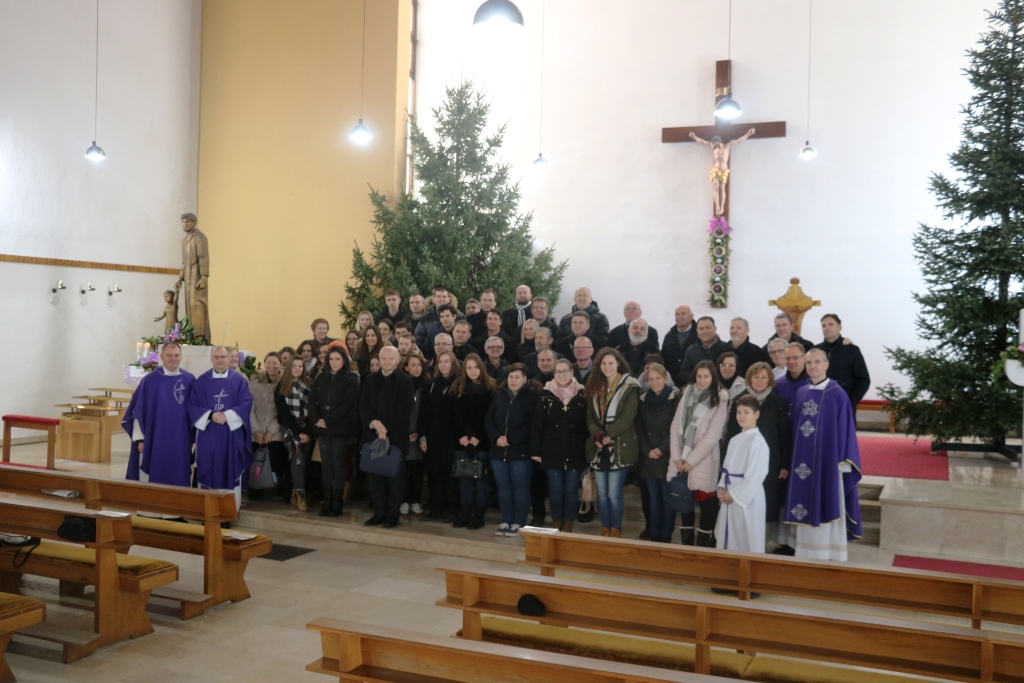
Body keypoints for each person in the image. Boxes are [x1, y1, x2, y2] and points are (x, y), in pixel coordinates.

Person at [781, 348, 863, 561]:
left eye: (817, 362)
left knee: (828, 500)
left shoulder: (837, 394)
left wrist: (842, 461)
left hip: (828, 463)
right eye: (809, 362)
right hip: (801, 462)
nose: (813, 366)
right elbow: (793, 429)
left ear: (826, 365)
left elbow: (846, 429)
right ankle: (804, 549)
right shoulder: (801, 392)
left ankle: (829, 550)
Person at [724, 363, 792, 550]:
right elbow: (731, 433)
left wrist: (784, 464)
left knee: (765, 505)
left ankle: (759, 544)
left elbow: (785, 436)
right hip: (742, 463)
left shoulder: (778, 402)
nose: (759, 381)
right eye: (756, 377)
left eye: (763, 377)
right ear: (749, 379)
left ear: (769, 380)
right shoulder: (738, 400)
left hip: (770, 463)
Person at [668, 360, 728, 547]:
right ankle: (687, 545)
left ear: (713, 377)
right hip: (681, 460)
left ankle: (703, 546)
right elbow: (675, 427)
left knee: (707, 505)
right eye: (699, 376)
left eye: (706, 377)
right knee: (684, 502)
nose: (702, 380)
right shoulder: (686, 394)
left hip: (703, 461)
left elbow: (713, 436)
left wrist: (691, 461)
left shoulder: (719, 399)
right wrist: (677, 458)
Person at [187, 346, 253, 510]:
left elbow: (246, 402)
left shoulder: (239, 381)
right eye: (216, 357)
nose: (220, 360)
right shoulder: (201, 381)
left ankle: (228, 511)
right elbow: (192, 404)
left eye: (223, 357)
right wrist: (210, 415)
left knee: (230, 467)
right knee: (208, 468)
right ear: (211, 359)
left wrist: (228, 415)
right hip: (208, 433)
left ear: (228, 358)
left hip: (231, 434)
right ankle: (208, 511)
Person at [585, 348, 641, 538]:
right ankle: (605, 528)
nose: (607, 367)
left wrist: (606, 435)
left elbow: (628, 417)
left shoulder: (629, 386)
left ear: (618, 364)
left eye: (611, 363)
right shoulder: (595, 387)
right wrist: (598, 435)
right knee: (602, 493)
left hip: (619, 447)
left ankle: (615, 529)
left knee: (613, 494)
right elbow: (589, 418)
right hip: (599, 448)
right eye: (603, 363)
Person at [123, 341, 195, 488]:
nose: (173, 359)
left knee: (179, 474)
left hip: (180, 439)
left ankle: (178, 501)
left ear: (181, 356)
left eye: (176, 355)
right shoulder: (150, 380)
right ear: (161, 357)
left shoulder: (189, 379)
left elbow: (194, 411)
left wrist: (192, 438)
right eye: (169, 355)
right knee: (155, 475)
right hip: (155, 438)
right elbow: (138, 412)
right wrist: (140, 440)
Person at [531, 358, 588, 532]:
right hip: (551, 451)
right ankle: (557, 522)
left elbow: (587, 426)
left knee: (571, 491)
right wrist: (536, 450)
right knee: (555, 491)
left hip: (575, 451)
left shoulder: (582, 395)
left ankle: (568, 522)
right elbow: (537, 425)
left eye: (565, 371)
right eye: (558, 372)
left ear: (572, 372)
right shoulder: (546, 395)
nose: (561, 375)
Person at [360, 346, 414, 528]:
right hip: (373, 434)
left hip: (395, 436)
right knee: (375, 478)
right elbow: (363, 405)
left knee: (394, 479)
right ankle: (378, 513)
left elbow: (404, 409)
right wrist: (375, 423)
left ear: (398, 360)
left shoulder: (405, 380)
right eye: (384, 358)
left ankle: (392, 514)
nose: (387, 361)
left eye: (391, 358)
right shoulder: (370, 379)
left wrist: (385, 426)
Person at [307, 346, 360, 517]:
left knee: (338, 463)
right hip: (322, 427)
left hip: (340, 427)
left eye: (338, 359)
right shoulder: (321, 376)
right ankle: (327, 499)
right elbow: (312, 400)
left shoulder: (351, 379)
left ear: (344, 360)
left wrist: (328, 421)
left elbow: (348, 405)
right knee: (325, 464)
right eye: (331, 359)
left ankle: (338, 500)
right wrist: (316, 419)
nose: (334, 362)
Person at [485, 363, 537, 536]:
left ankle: (518, 523)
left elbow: (533, 424)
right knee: (503, 489)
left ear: (525, 379)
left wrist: (511, 438)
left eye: (517, 377)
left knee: (520, 488)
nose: (513, 380)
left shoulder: (531, 397)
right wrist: (496, 437)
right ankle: (506, 520)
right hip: (498, 451)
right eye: (510, 377)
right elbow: (489, 419)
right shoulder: (500, 395)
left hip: (520, 452)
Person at [716, 394, 770, 552]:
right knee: (729, 537)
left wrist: (733, 495)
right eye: (739, 412)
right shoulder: (734, 440)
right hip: (729, 495)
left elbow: (755, 476)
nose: (741, 416)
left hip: (747, 499)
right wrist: (721, 487)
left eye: (746, 412)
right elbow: (726, 469)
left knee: (746, 539)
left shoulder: (758, 442)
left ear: (756, 414)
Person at [635, 363, 682, 543]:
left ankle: (665, 535)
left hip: (668, 457)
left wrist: (662, 449)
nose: (654, 382)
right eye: (651, 379)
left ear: (665, 379)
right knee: (653, 499)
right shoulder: (642, 400)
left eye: (658, 378)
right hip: (649, 458)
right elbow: (639, 428)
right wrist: (647, 451)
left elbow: (676, 428)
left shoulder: (674, 398)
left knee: (666, 499)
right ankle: (655, 535)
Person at [450, 353, 496, 530]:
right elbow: (452, 416)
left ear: (481, 368)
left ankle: (478, 515)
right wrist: (460, 435)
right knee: (464, 479)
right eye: (469, 368)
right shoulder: (458, 387)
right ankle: (465, 513)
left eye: (476, 367)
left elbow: (491, 416)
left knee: (481, 479)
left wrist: (480, 436)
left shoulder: (490, 387)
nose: (473, 371)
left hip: (481, 443)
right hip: (461, 442)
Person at [419, 350, 460, 521]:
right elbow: (424, 411)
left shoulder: (459, 383)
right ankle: (436, 508)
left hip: (453, 436)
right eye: (440, 362)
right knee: (435, 473)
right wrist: (422, 436)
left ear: (453, 363)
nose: (443, 365)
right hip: (434, 435)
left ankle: (452, 509)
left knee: (451, 474)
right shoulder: (432, 384)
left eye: (446, 361)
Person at [275, 355, 314, 512]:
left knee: (303, 461)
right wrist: (299, 433)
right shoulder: (281, 386)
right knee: (297, 458)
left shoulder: (310, 385)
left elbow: (313, 409)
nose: (298, 369)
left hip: (307, 428)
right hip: (290, 428)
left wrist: (307, 432)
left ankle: (294, 492)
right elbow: (284, 414)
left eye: (300, 366)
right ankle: (300, 495)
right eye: (294, 366)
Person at [249, 352, 288, 502]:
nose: (272, 366)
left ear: (280, 364)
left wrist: (271, 432)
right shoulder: (254, 381)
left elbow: (283, 412)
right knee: (255, 462)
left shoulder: (285, 382)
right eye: (269, 363)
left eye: (275, 363)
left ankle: (279, 487)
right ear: (264, 364)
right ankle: (256, 488)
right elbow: (249, 408)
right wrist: (256, 430)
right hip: (256, 430)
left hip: (275, 431)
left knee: (277, 461)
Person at [815, 314, 871, 409]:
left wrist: (850, 403)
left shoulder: (852, 350)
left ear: (840, 327)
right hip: (819, 405)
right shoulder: (816, 350)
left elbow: (863, 380)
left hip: (843, 406)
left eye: (830, 324)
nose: (826, 328)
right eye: (823, 326)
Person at [176, 212, 211, 341]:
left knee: (196, 304)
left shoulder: (200, 237)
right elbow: (184, 262)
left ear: (194, 223)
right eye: (183, 222)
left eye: (188, 222)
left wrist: (204, 276)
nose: (185, 224)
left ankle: (200, 335)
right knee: (189, 306)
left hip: (197, 273)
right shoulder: (184, 241)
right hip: (187, 275)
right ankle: (191, 334)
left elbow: (203, 257)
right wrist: (180, 278)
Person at [401, 354, 428, 515]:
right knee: (404, 469)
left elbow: (427, 412)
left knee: (417, 469)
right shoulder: (401, 385)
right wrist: (406, 433)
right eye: (413, 365)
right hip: (404, 433)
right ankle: (404, 500)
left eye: (419, 365)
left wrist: (420, 432)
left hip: (420, 433)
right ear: (406, 367)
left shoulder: (426, 384)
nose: (417, 368)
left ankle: (415, 500)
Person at [679, 317, 730, 385]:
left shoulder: (726, 348)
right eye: (701, 329)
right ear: (697, 331)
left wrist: (712, 380)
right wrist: (700, 379)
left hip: (721, 387)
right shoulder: (690, 350)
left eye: (708, 328)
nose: (704, 331)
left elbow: (729, 368)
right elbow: (684, 372)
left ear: (715, 329)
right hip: (698, 388)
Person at [662, 305, 699, 385]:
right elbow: (663, 358)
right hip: (672, 382)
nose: (679, 316)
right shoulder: (669, 336)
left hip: (693, 382)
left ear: (691, 316)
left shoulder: (699, 334)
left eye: (683, 313)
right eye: (677, 314)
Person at [776, 342, 811, 407]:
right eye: (787, 358)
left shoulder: (814, 383)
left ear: (804, 358)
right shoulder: (778, 385)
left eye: (795, 357)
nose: (791, 361)